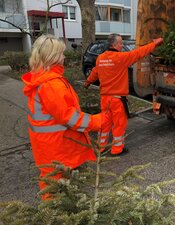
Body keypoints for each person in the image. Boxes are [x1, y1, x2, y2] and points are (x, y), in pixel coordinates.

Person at [22, 34, 107, 200]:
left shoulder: (43, 79)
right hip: (58, 148)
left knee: (53, 188)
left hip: (48, 146)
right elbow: (69, 117)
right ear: (52, 57)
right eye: (61, 53)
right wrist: (99, 120)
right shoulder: (51, 84)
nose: (64, 56)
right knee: (55, 195)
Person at [84, 33, 163, 156]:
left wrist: (88, 82)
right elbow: (139, 53)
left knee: (104, 124)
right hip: (117, 100)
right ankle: (117, 150)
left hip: (105, 99)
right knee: (119, 125)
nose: (122, 45)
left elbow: (95, 71)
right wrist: (154, 43)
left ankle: (100, 148)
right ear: (114, 44)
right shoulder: (121, 58)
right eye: (120, 43)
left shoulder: (100, 58)